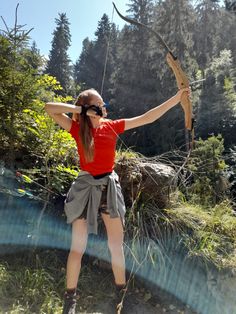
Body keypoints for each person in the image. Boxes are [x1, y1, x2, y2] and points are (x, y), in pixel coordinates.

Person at [44, 87, 189, 314]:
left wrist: (177, 99)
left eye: (103, 105)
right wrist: (80, 111)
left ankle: (121, 294)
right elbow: (49, 108)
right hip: (84, 189)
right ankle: (70, 299)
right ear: (88, 108)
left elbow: (147, 117)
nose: (104, 109)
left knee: (116, 247)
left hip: (109, 189)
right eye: (99, 105)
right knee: (77, 249)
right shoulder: (76, 128)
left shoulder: (112, 126)